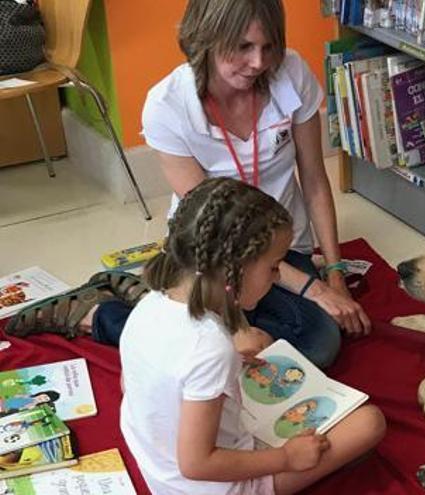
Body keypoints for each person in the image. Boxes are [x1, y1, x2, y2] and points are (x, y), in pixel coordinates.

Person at [7, 0, 369, 369]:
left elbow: (314, 180)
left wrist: (335, 275)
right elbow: (211, 225)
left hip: (277, 253)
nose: (259, 62)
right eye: (243, 46)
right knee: (212, 350)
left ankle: (153, 296)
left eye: (269, 47)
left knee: (317, 343)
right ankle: (98, 314)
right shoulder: (167, 104)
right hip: (211, 252)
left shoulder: (292, 72)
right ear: (207, 37)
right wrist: (312, 288)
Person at [120, 177, 385, 494]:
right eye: (274, 267)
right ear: (235, 269)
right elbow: (197, 464)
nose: (276, 278)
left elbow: (130, 384)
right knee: (369, 423)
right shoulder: (209, 347)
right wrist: (286, 458)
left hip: (155, 462)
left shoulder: (149, 305)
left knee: (266, 351)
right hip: (209, 486)